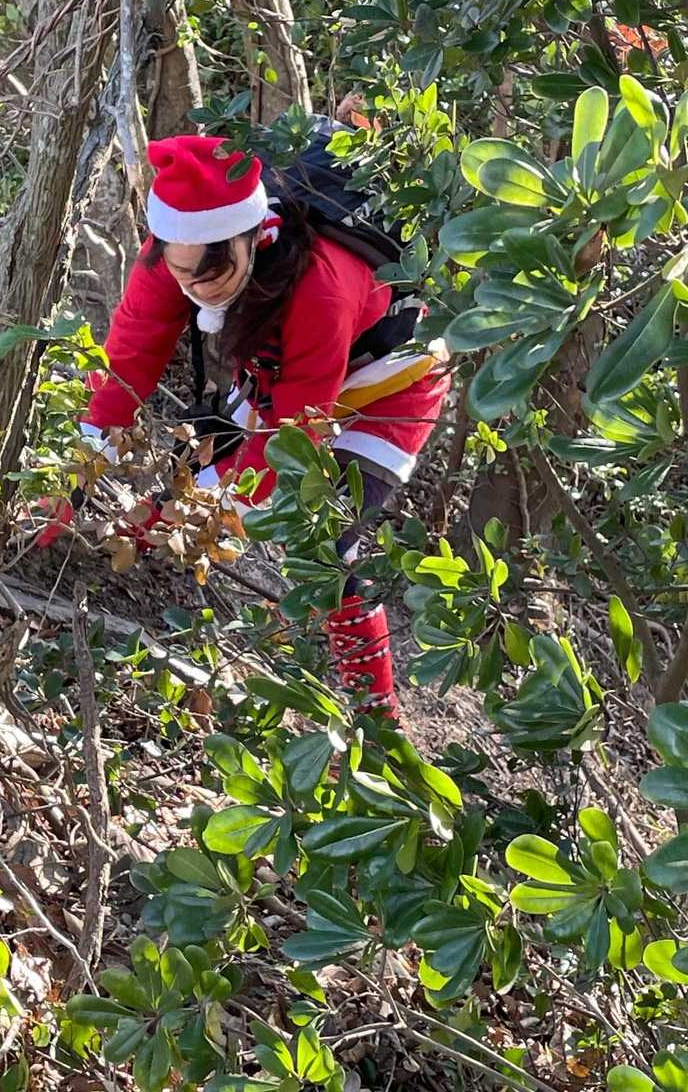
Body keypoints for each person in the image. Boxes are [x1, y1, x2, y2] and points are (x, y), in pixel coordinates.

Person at [45, 132, 449, 716]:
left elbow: (292, 444)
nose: (194, 287)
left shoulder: (322, 286)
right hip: (280, 370)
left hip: (391, 384)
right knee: (197, 472)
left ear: (252, 236)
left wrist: (194, 512)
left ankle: (377, 711)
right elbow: (127, 358)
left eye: (211, 273)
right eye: (182, 274)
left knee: (321, 544)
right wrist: (76, 472)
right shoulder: (174, 251)